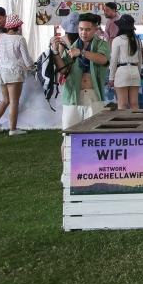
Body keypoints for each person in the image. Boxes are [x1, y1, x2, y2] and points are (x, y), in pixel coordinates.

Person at [50, 12, 111, 185]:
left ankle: (92, 173)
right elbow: (63, 70)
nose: (83, 32)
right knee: (68, 137)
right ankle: (67, 174)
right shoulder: (71, 45)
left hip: (94, 95)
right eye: (81, 29)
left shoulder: (102, 44)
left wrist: (82, 53)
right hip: (72, 96)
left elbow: (103, 59)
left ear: (96, 29)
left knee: (95, 137)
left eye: (88, 29)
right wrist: (55, 52)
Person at [0, 14, 32, 135]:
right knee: (14, 102)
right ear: (18, 27)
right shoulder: (20, 39)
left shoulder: (1, 36)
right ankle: (13, 129)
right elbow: (27, 60)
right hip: (14, 73)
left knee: (5, 100)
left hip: (1, 72)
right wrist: (33, 65)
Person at [108, 14, 142, 110]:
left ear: (120, 26)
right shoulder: (137, 40)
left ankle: (122, 125)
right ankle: (136, 124)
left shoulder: (117, 40)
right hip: (135, 71)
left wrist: (111, 77)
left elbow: (113, 60)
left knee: (122, 104)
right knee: (134, 104)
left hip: (122, 72)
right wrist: (138, 73)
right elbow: (140, 60)